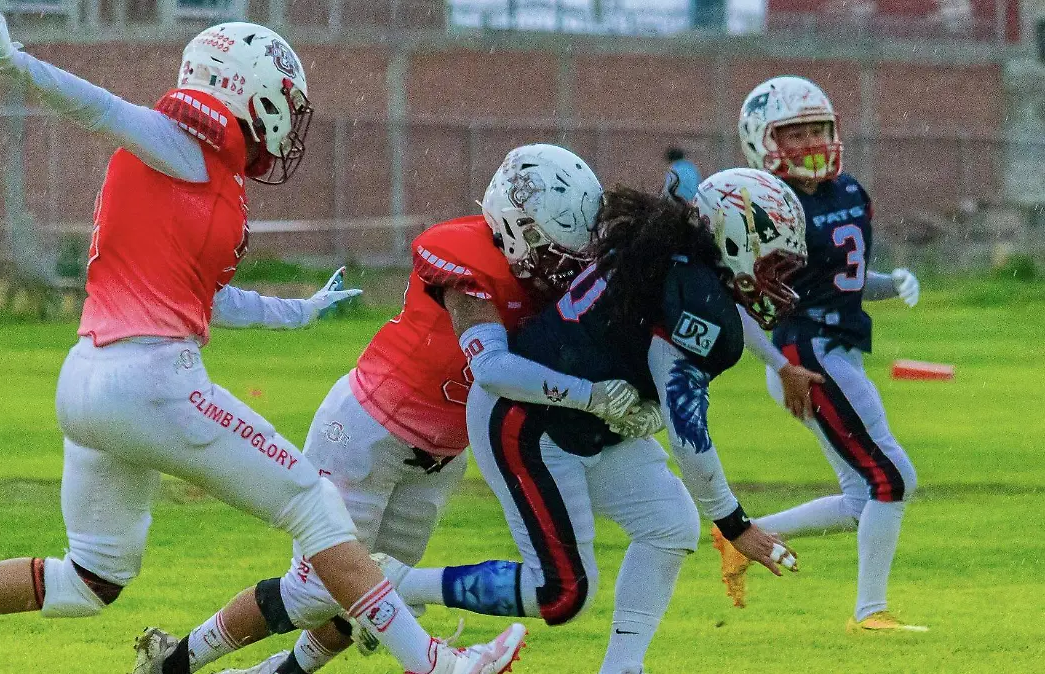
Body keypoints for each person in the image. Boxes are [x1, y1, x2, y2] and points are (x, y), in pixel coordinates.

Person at [0, 6, 528, 674]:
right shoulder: (179, 145)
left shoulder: (192, 171)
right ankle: (435, 663)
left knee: (90, 578)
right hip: (149, 381)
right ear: (247, 90)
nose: (287, 123)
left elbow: (208, 298)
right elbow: (102, 109)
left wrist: (299, 311)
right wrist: (15, 63)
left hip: (87, 379)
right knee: (314, 504)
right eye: (282, 101)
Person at [154, 144, 645, 674]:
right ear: (512, 223)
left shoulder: (545, 278)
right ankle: (174, 661)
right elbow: (493, 367)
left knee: (378, 592)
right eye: (551, 249)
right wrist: (592, 395)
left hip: (440, 457)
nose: (562, 266)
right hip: (368, 432)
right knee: (316, 590)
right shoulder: (469, 258)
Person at [364, 168, 806, 674]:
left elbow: (648, 363)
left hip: (586, 418)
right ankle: (391, 584)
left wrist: (639, 409)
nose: (780, 282)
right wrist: (733, 523)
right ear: (733, 239)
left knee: (669, 524)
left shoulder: (667, 257)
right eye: (773, 264)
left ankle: (623, 667)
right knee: (561, 594)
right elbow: (689, 435)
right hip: (528, 420)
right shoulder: (693, 296)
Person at [715, 75, 925, 633]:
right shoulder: (763, 207)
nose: (811, 142)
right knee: (893, 479)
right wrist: (780, 364)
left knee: (863, 496)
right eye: (796, 132)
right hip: (805, 355)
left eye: (819, 129)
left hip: (840, 350)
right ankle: (870, 614)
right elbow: (741, 300)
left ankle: (739, 536)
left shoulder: (849, 190)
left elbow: (837, 282)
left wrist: (888, 283)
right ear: (762, 140)